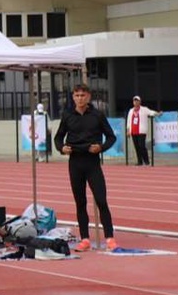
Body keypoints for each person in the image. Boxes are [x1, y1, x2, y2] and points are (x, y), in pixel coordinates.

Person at [53, 83, 119, 252]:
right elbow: (58, 138)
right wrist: (62, 148)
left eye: (83, 95)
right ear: (73, 97)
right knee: (80, 202)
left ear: (88, 97)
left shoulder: (97, 115)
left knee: (101, 200)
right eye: (77, 95)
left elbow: (111, 137)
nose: (80, 98)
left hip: (92, 162)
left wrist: (101, 148)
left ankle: (110, 238)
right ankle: (85, 239)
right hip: (75, 162)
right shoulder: (67, 115)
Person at [125, 95, 160, 166]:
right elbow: (128, 121)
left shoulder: (144, 109)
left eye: (137, 100)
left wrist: (157, 113)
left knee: (142, 146)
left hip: (141, 131)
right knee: (136, 147)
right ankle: (139, 161)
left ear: (140, 102)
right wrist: (128, 130)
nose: (135, 102)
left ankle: (146, 161)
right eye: (134, 101)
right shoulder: (131, 110)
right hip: (133, 131)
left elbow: (151, 112)